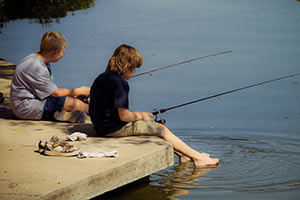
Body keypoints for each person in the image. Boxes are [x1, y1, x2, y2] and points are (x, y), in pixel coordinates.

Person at [89, 44, 219, 167]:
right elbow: (124, 116)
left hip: (100, 126)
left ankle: (183, 155)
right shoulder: (120, 83)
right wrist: (143, 116)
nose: (134, 72)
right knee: (161, 129)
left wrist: (140, 116)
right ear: (127, 67)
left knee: (151, 127)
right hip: (112, 130)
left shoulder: (102, 77)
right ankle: (198, 159)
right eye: (134, 69)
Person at [10, 31, 90, 122]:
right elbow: (55, 93)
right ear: (55, 52)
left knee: (71, 98)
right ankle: (91, 110)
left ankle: (60, 113)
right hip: (25, 107)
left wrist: (74, 95)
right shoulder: (36, 66)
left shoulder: (40, 60)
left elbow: (49, 91)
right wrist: (80, 90)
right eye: (63, 51)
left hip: (34, 101)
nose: (63, 55)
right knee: (70, 102)